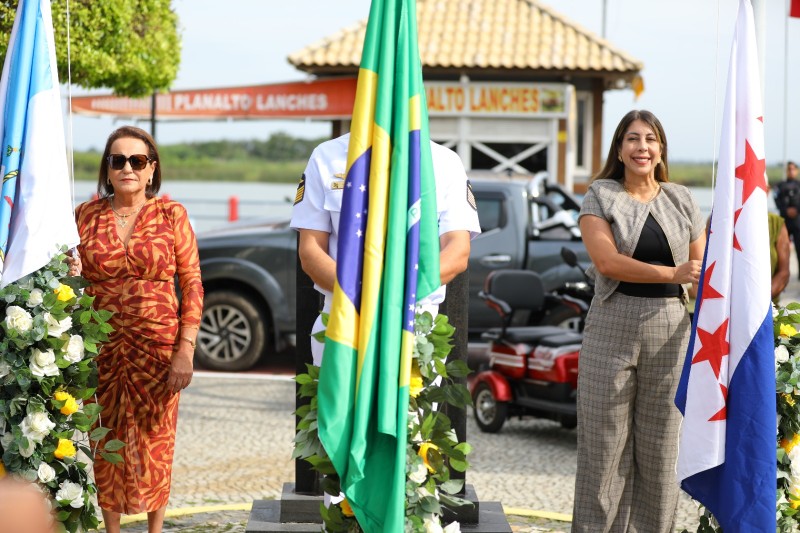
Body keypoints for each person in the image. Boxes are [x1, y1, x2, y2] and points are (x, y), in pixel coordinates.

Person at [572, 110, 705, 532]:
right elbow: (607, 262)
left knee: (661, 448)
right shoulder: (600, 194)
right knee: (603, 447)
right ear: (619, 149)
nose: (641, 147)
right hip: (612, 325)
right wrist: (672, 273)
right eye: (632, 139)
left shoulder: (681, 198)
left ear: (661, 149)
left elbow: (702, 273)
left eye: (650, 139)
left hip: (671, 329)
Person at [74, 126, 204, 533]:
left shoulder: (171, 215)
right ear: (108, 170)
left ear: (151, 170)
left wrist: (186, 349)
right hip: (103, 349)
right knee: (105, 438)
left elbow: (194, 283)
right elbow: (69, 281)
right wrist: (71, 272)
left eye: (137, 160)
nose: (128, 167)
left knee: (155, 441)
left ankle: (155, 529)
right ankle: (111, 530)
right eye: (118, 160)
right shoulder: (84, 215)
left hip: (158, 350)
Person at [290, 133, 481, 365]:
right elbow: (310, 252)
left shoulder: (443, 161)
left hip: (416, 321)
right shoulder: (328, 156)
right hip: (343, 317)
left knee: (409, 401)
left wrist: (399, 295)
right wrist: (363, 295)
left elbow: (458, 250)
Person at [775, 161, 800, 278]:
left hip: (797, 223)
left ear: (797, 171)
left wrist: (796, 210)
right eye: (789, 169)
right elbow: (777, 200)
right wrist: (786, 210)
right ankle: (781, 276)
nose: (791, 171)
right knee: (781, 251)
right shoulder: (780, 185)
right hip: (785, 223)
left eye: (793, 169)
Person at [769, 212, 791, 301]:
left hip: (767, 309)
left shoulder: (775, 222)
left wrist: (757, 303)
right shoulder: (725, 221)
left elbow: (784, 273)